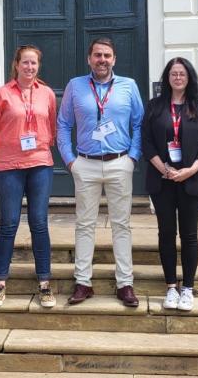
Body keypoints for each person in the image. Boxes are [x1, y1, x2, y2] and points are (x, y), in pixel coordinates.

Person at [57, 37, 144, 307]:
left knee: (121, 225)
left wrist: (133, 157)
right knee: (84, 225)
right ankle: (83, 282)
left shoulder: (129, 86)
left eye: (107, 55)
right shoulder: (75, 86)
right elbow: (62, 125)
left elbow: (139, 124)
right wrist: (71, 161)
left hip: (120, 163)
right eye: (97, 55)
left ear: (114, 59)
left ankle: (125, 283)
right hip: (86, 163)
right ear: (89, 59)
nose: (102, 60)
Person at [0, 45, 57, 309]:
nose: (30, 68)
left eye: (34, 63)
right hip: (9, 167)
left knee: (39, 223)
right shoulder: (2, 95)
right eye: (25, 63)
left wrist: (44, 144)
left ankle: (44, 283)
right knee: (9, 224)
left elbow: (52, 125)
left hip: (40, 165)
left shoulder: (46, 94)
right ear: (16, 65)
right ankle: (0, 282)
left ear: (38, 66)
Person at [142, 57, 198, 311]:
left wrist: (188, 170)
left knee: (189, 235)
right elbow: (147, 142)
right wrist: (165, 169)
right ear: (167, 78)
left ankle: (188, 288)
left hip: (191, 181)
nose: (177, 77)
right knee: (166, 233)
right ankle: (171, 287)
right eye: (173, 74)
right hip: (162, 180)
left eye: (182, 73)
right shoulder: (154, 106)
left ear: (189, 77)